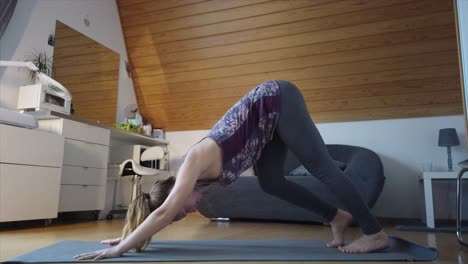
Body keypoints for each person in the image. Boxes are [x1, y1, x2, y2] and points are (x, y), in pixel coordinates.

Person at [74, 80, 389, 261]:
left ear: (175, 193)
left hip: (276, 100)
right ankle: (336, 216)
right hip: (269, 130)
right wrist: (129, 233)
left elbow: (164, 213)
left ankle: (374, 233)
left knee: (320, 166)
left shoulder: (193, 163)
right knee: (272, 183)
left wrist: (119, 251)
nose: (190, 210)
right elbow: (158, 215)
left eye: (182, 210)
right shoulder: (206, 184)